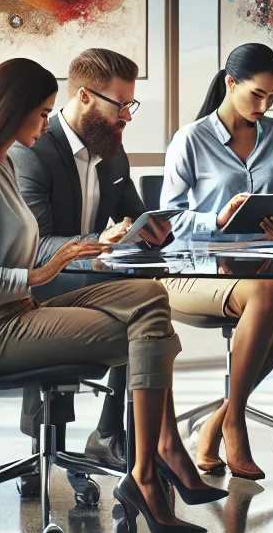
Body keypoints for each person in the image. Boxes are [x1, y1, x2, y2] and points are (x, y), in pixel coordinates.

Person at [0, 57, 210, 533]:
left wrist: (116, 239)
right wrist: (37, 273)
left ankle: (149, 464)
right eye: (41, 113)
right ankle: (146, 473)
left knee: (150, 298)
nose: (47, 122)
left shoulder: (0, 164)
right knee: (145, 330)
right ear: (10, 110)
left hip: (21, 313)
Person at [161, 43, 273, 480]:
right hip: (197, 269)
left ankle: (222, 415)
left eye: (272, 97)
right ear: (231, 84)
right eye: (256, 95)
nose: (264, 106)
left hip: (261, 262)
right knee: (267, 295)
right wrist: (216, 219)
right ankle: (235, 424)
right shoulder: (191, 139)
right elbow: (167, 220)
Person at [10, 48, 163, 479]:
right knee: (141, 307)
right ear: (84, 97)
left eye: (131, 105)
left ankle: (110, 435)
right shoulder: (33, 152)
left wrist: (150, 229)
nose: (127, 116)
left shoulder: (113, 151)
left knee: (147, 302)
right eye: (120, 105)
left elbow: (133, 213)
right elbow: (35, 248)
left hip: (89, 278)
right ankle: (43, 441)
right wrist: (100, 241)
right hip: (40, 283)